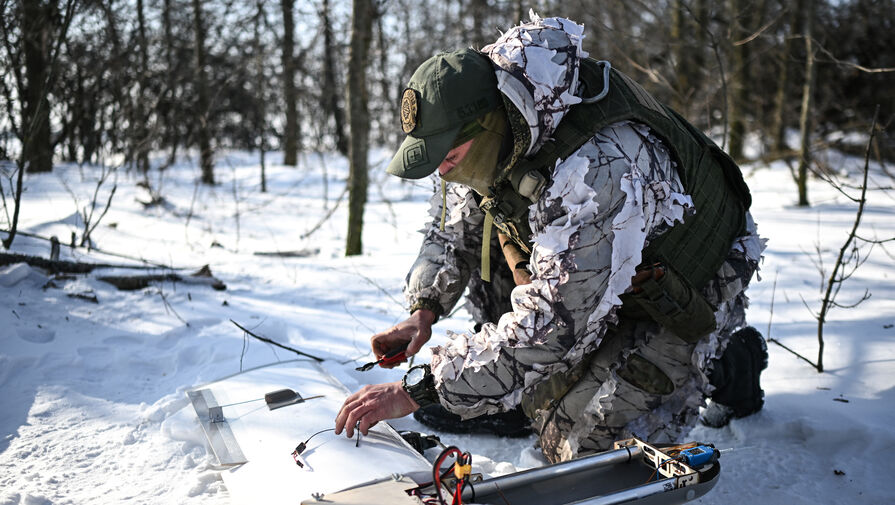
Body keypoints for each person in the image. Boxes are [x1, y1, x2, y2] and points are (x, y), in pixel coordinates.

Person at [335, 14, 767, 464]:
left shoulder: (596, 169)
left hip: (686, 281)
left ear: (489, 125)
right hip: (599, 272)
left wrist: (421, 388)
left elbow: (554, 328)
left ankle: (724, 359)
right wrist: (424, 309)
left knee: (584, 451)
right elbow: (453, 230)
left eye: (449, 157)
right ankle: (528, 390)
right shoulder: (501, 126)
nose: (443, 172)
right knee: (533, 388)